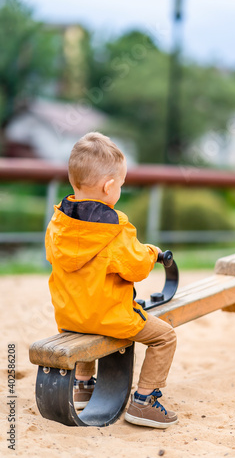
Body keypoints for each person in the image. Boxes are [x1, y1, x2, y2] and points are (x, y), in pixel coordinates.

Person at [45, 132, 177, 429]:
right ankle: (145, 401)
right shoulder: (116, 229)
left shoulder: (57, 224)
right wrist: (152, 253)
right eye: (121, 185)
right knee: (165, 336)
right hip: (109, 318)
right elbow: (136, 268)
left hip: (68, 317)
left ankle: (82, 384)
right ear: (109, 187)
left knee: (86, 312)